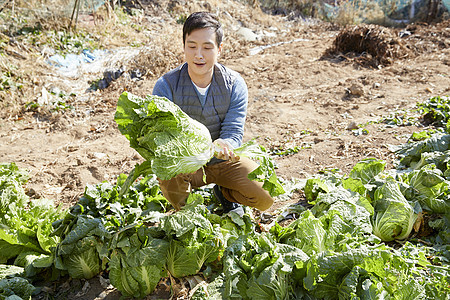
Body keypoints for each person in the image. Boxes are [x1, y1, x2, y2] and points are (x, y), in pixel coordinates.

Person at [152, 11, 273, 215]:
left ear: (219, 49)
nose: (199, 54)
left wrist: (224, 144)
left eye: (207, 47)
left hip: (222, 161)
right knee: (166, 170)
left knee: (265, 197)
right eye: (192, 46)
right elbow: (160, 138)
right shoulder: (166, 86)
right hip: (186, 164)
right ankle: (188, 212)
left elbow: (234, 132)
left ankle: (224, 194)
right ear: (184, 47)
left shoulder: (234, 84)